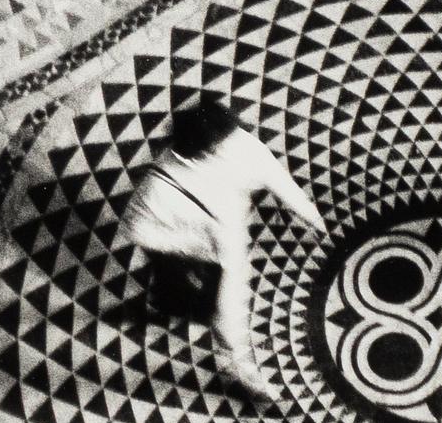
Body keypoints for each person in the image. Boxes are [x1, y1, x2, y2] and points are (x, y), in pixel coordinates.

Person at [118, 95, 326, 403]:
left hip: (227, 245)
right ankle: (244, 374)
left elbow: (275, 177)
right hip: (206, 254)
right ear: (202, 151)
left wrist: (311, 217)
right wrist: (189, 245)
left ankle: (171, 306)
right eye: (221, 143)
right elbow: (136, 229)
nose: (232, 142)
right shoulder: (159, 187)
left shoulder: (234, 141)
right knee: (228, 317)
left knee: (206, 303)